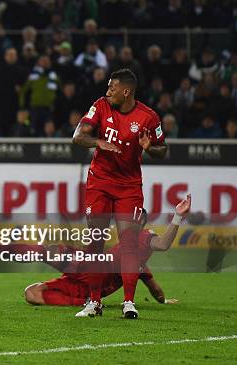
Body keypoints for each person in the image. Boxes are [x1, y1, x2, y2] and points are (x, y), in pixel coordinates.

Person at [0, 195, 190, 307]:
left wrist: (178, 216)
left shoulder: (142, 238)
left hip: (88, 270)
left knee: (33, 290)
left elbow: (162, 244)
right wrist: (163, 300)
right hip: (87, 272)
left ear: (141, 222)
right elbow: (156, 292)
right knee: (35, 278)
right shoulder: (139, 262)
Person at [72, 68, 168, 319]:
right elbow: (78, 136)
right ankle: (94, 303)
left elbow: (163, 149)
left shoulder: (149, 117)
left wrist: (150, 148)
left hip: (129, 186)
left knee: (128, 243)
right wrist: (98, 142)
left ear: (126, 91)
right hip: (99, 182)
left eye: (112, 88)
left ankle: (128, 302)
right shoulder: (100, 106)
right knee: (95, 240)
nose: (107, 91)